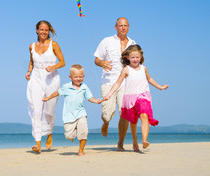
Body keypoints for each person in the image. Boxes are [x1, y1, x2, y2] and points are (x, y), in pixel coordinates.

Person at [104, 45, 168, 149]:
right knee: (133, 122)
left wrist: (160, 87)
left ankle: (144, 139)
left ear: (141, 57)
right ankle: (133, 141)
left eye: (137, 57)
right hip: (130, 98)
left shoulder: (143, 68)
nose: (135, 59)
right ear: (128, 57)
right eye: (132, 57)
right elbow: (117, 83)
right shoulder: (126, 69)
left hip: (143, 96)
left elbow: (149, 79)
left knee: (144, 115)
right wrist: (109, 94)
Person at [94, 17, 137, 151]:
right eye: (120, 25)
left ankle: (120, 144)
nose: (123, 28)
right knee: (107, 113)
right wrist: (101, 63)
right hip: (108, 82)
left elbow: (137, 63)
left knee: (124, 113)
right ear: (116, 27)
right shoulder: (107, 41)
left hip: (126, 83)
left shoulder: (133, 43)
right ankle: (105, 123)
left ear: (128, 27)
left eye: (125, 25)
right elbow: (96, 59)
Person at [42, 64, 102, 156]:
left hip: (81, 113)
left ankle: (81, 150)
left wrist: (96, 101)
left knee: (83, 132)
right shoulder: (66, 87)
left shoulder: (84, 87)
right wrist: (48, 98)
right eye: (76, 77)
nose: (78, 79)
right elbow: (57, 92)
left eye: (80, 77)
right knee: (69, 136)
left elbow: (90, 97)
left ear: (83, 76)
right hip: (68, 116)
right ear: (70, 77)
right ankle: (72, 135)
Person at [25, 20, 65, 153]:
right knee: (36, 110)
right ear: (37, 30)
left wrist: (53, 67)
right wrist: (28, 72)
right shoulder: (31, 46)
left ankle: (49, 133)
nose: (44, 32)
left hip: (51, 79)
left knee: (49, 111)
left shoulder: (53, 45)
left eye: (46, 30)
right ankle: (38, 143)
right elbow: (31, 62)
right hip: (36, 78)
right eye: (41, 29)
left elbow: (62, 62)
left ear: (49, 31)